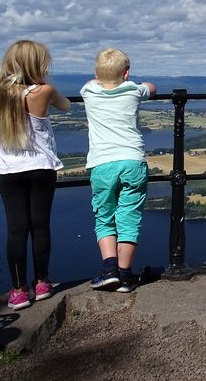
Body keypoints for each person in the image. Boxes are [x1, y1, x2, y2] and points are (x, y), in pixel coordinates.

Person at [0, 39, 70, 310]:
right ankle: (42, 282)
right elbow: (65, 106)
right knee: (40, 226)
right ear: (38, 65)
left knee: (16, 229)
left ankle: (18, 290)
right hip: (41, 169)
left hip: (10, 172)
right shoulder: (44, 91)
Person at [80, 48, 156, 293]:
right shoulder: (134, 90)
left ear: (96, 73)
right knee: (129, 217)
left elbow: (92, 82)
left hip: (102, 164)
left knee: (105, 216)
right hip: (132, 161)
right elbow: (151, 87)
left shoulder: (88, 91)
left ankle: (109, 270)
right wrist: (137, 83)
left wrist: (100, 78)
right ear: (127, 73)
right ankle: (125, 276)